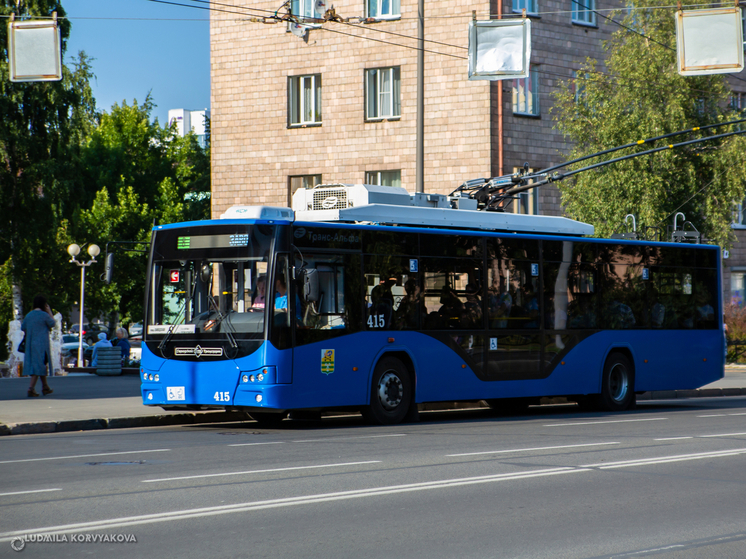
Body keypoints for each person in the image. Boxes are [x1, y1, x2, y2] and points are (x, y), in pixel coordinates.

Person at [21, 294, 56, 397]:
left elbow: (23, 327)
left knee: (40, 365)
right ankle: (30, 389)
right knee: (39, 365)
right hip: (42, 345)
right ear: (43, 304)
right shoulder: (44, 315)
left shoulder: (29, 315)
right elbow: (52, 323)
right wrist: (49, 311)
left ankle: (45, 387)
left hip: (30, 344)